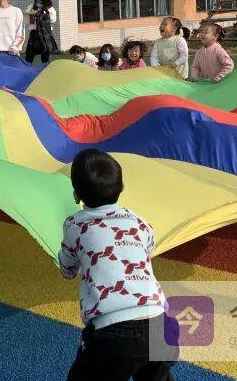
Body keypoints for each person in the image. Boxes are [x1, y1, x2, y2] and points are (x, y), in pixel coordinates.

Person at [58, 149, 176, 380]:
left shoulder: (75, 226)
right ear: (122, 187)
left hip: (114, 333)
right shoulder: (139, 223)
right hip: (160, 325)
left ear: (76, 195)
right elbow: (147, 251)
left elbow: (67, 269)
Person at [25, 0, 59, 64]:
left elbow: (53, 20)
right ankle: (27, 69)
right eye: (37, 1)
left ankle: (45, 69)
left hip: (46, 35)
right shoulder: (32, 7)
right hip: (34, 34)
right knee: (29, 56)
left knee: (45, 57)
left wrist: (43, 14)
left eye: (41, 2)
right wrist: (33, 15)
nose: (39, 3)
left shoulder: (50, 9)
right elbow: (28, 21)